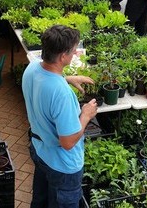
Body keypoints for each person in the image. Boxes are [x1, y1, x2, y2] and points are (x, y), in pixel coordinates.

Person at [22, 25, 98, 208]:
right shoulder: (61, 94)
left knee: (39, 201)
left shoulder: (32, 69)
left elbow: (45, 85)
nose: (75, 55)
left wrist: (67, 79)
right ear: (63, 56)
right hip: (62, 166)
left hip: (40, 151)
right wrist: (86, 115)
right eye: (73, 51)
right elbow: (68, 142)